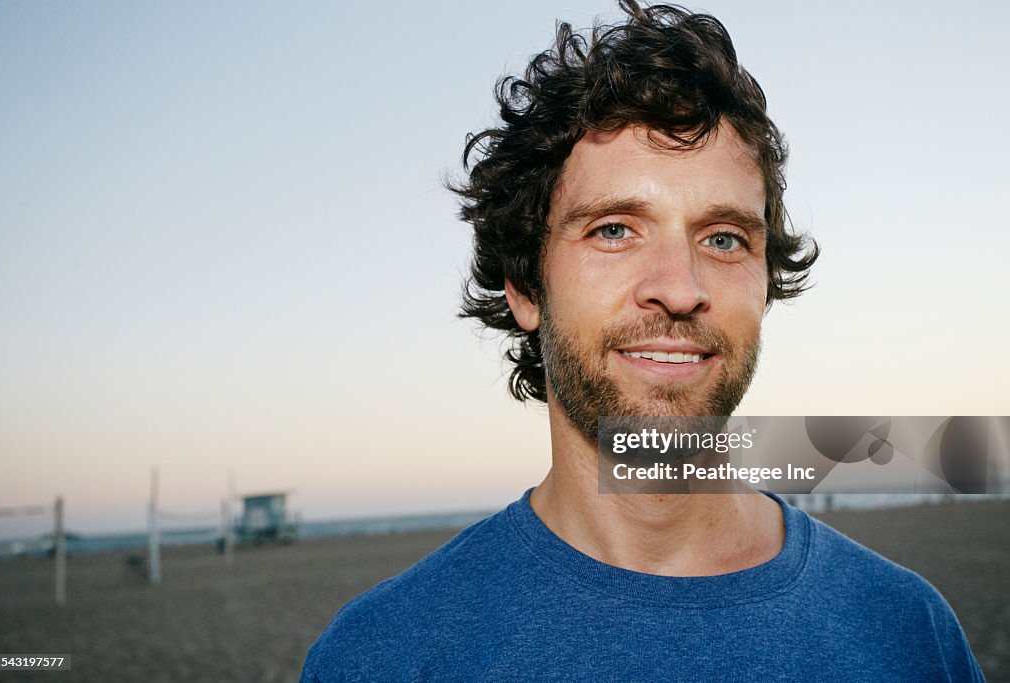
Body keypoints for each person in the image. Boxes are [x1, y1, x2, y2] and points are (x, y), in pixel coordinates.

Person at [302, 2, 984, 680]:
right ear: (524, 284)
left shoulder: (909, 632)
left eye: (723, 238)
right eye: (614, 229)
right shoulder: (383, 654)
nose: (679, 287)